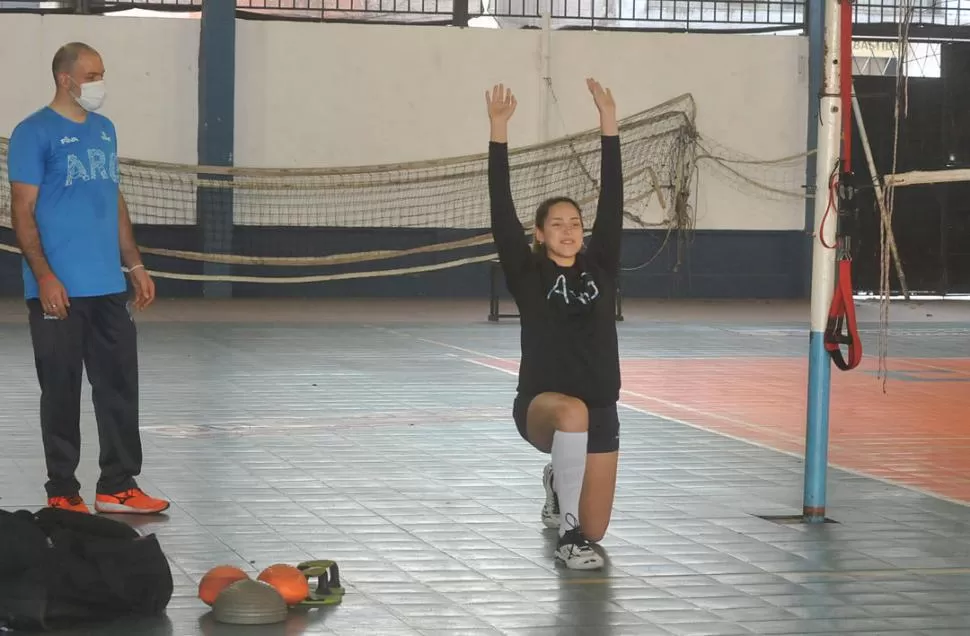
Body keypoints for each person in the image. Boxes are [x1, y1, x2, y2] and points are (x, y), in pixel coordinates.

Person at [7, 42, 169, 515]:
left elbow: (112, 198)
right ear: (65, 79)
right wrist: (44, 276)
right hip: (58, 290)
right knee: (60, 388)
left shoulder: (104, 131)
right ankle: (62, 490)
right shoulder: (32, 133)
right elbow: (22, 209)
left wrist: (133, 263)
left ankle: (118, 486)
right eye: (92, 74)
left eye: (102, 74)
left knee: (119, 385)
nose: (100, 83)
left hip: (106, 286)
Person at [486, 78, 623, 570]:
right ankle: (568, 539)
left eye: (575, 224)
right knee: (571, 415)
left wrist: (609, 121)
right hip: (543, 407)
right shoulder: (528, 274)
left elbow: (612, 199)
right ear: (540, 234)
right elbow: (502, 211)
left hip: (601, 405)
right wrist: (498, 131)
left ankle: (558, 487)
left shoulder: (600, 266)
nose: (569, 231)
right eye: (557, 224)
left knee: (599, 527)